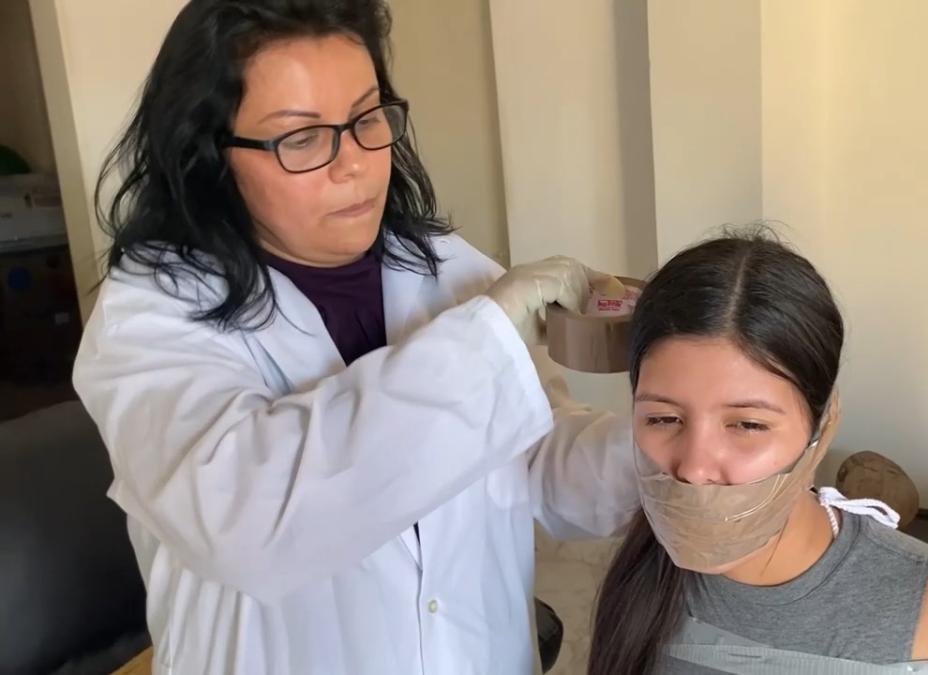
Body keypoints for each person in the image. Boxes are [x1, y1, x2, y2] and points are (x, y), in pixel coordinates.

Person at [72, 1, 638, 673]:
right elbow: (251, 524)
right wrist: (486, 342)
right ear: (210, 155)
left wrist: (664, 451)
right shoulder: (148, 319)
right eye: (302, 138)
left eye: (367, 119)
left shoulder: (445, 268)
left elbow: (536, 460)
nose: (355, 165)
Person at [588, 229, 928, 674]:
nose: (694, 468)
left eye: (748, 425)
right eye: (663, 419)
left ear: (820, 427)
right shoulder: (641, 576)